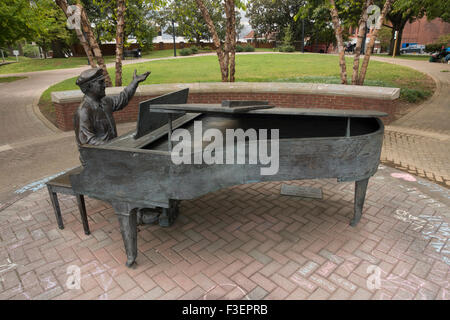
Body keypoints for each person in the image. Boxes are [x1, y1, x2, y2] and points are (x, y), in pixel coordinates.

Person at [74, 67, 160, 224]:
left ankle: (150, 203)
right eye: (100, 83)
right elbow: (87, 142)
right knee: (128, 172)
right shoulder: (84, 111)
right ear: (89, 87)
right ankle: (137, 214)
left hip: (112, 152)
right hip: (96, 159)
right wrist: (115, 147)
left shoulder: (104, 102)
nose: (105, 85)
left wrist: (134, 82)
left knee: (143, 163)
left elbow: (122, 98)